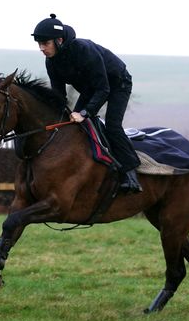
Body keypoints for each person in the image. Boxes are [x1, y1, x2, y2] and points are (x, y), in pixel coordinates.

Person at [31, 13, 142, 193]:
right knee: (72, 126)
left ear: (59, 40)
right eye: (39, 44)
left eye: (45, 44)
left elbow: (104, 89)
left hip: (117, 84)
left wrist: (84, 113)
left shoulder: (83, 50)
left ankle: (131, 175)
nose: (41, 48)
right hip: (92, 88)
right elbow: (58, 95)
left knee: (113, 126)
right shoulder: (51, 61)